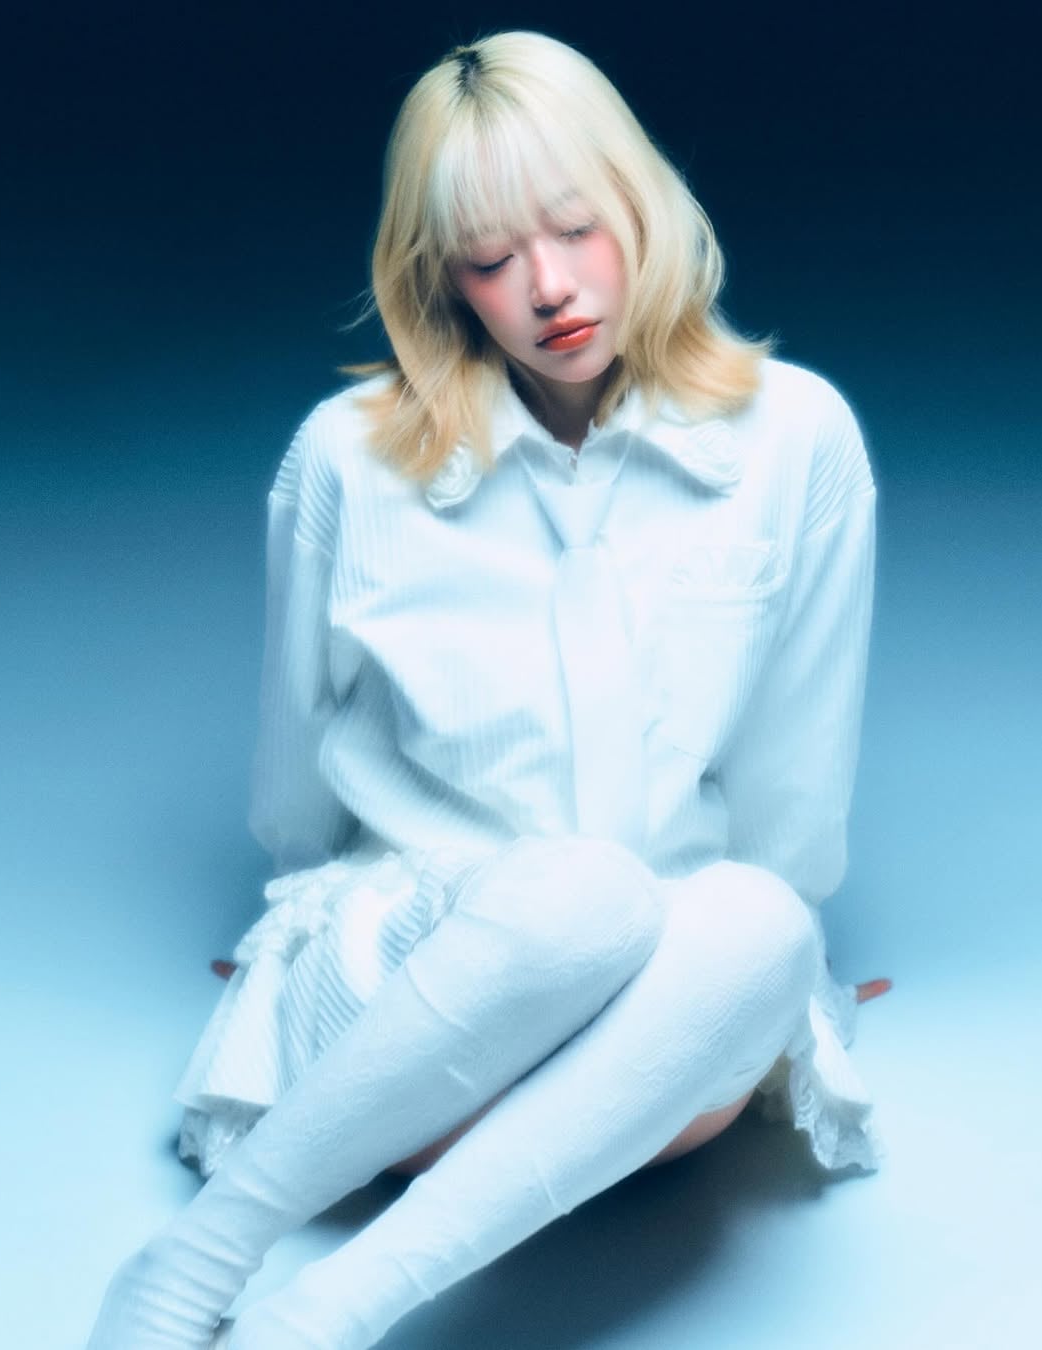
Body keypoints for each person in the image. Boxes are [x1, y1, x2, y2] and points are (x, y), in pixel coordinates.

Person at [87, 30, 889, 1350]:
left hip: (657, 1016)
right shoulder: (345, 458)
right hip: (420, 987)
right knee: (578, 895)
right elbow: (296, 776)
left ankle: (326, 1315)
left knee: (759, 916)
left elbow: (793, 782)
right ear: (438, 278)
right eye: (490, 258)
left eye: (577, 228)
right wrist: (294, 925)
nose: (549, 287)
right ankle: (196, 1259)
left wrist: (774, 975)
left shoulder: (796, 435)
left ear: (643, 206)